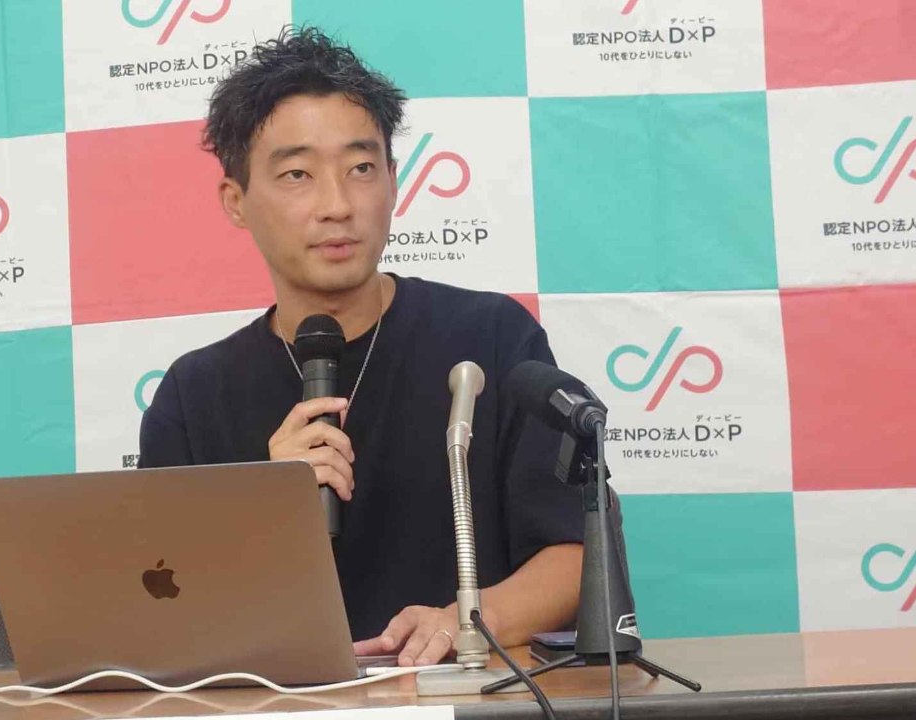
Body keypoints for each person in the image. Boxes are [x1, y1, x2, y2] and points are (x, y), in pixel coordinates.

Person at [138, 26, 584, 668]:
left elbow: (576, 556)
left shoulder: (491, 339)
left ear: (394, 182)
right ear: (236, 202)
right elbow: (161, 611)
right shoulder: (194, 395)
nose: (338, 205)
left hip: (461, 694)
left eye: (361, 169)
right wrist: (261, 512)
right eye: (297, 174)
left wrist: (466, 623)